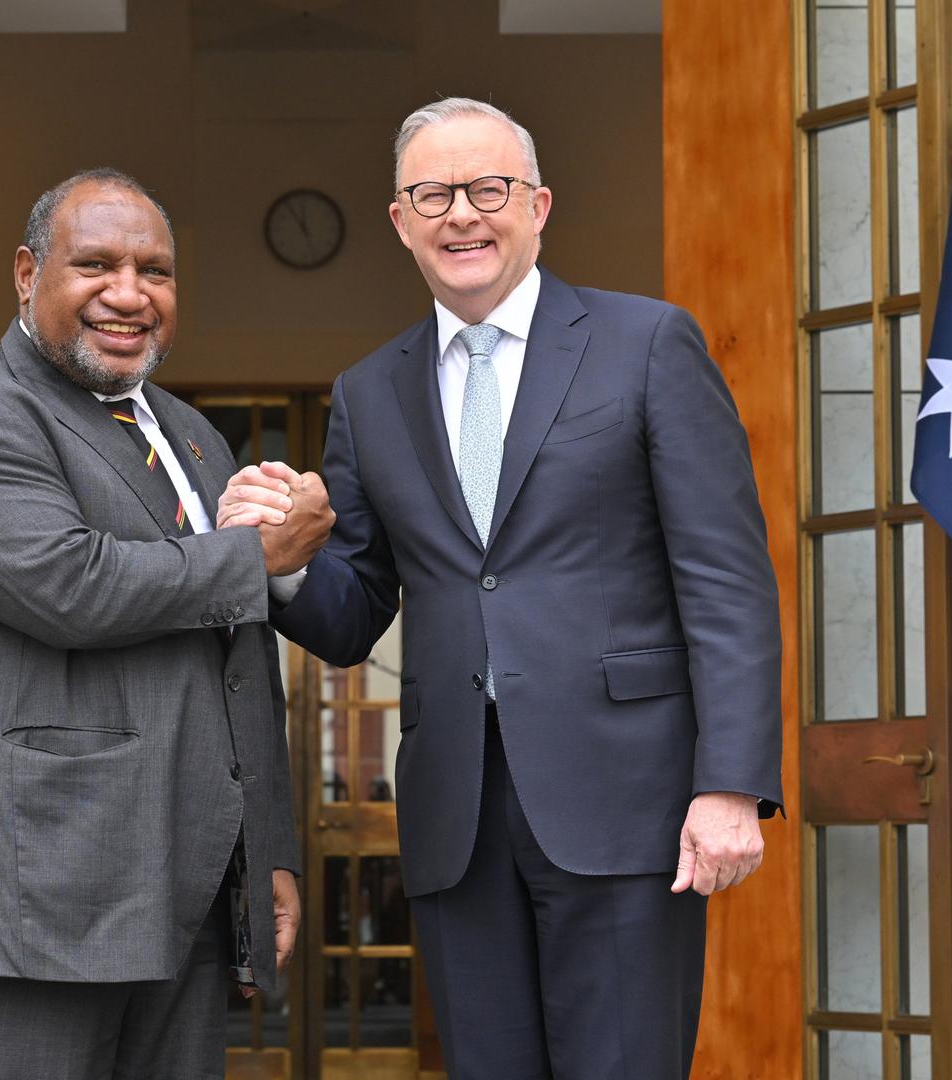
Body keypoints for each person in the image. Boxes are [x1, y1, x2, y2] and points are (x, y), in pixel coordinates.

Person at [222, 98, 784, 1077]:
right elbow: (356, 615)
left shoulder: (647, 344)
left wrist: (729, 783)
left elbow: (727, 580)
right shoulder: (368, 390)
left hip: (628, 807)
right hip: (457, 822)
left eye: (488, 189)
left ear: (538, 206)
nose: (461, 215)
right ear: (399, 221)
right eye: (432, 193)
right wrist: (285, 564)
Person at [0, 168, 331, 1080]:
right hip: (27, 904)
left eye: (156, 271)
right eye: (96, 264)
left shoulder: (195, 437)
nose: (129, 295)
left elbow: (236, 656)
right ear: (26, 274)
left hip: (181, 895)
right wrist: (260, 554)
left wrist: (268, 851)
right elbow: (71, 587)